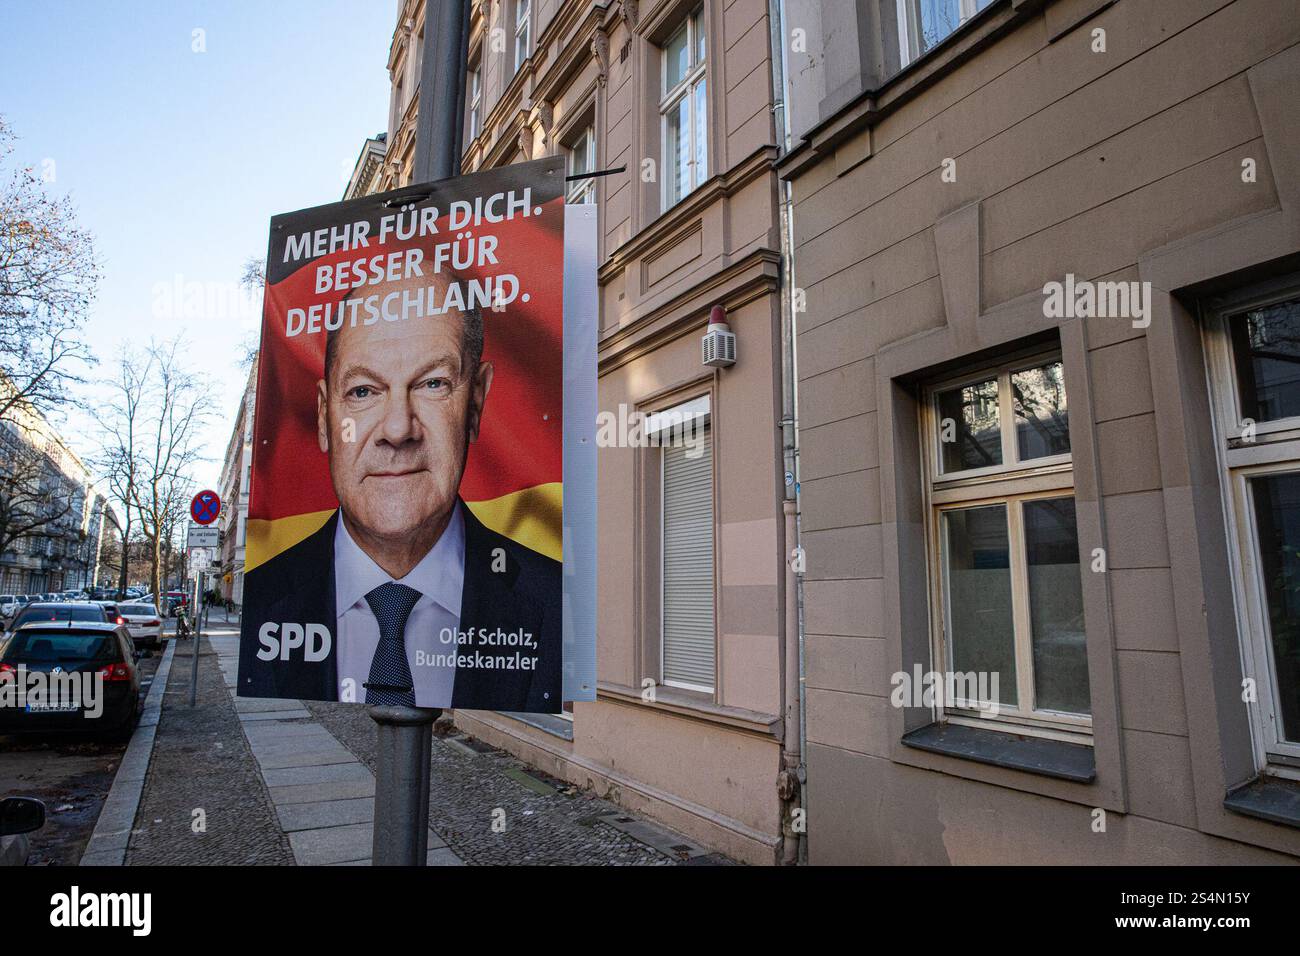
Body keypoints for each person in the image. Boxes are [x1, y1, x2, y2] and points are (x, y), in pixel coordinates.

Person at [237, 275, 562, 713]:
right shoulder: (263, 597)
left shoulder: (554, 601)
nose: (397, 430)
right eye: (363, 391)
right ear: (323, 416)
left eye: (433, 384)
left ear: (476, 401)